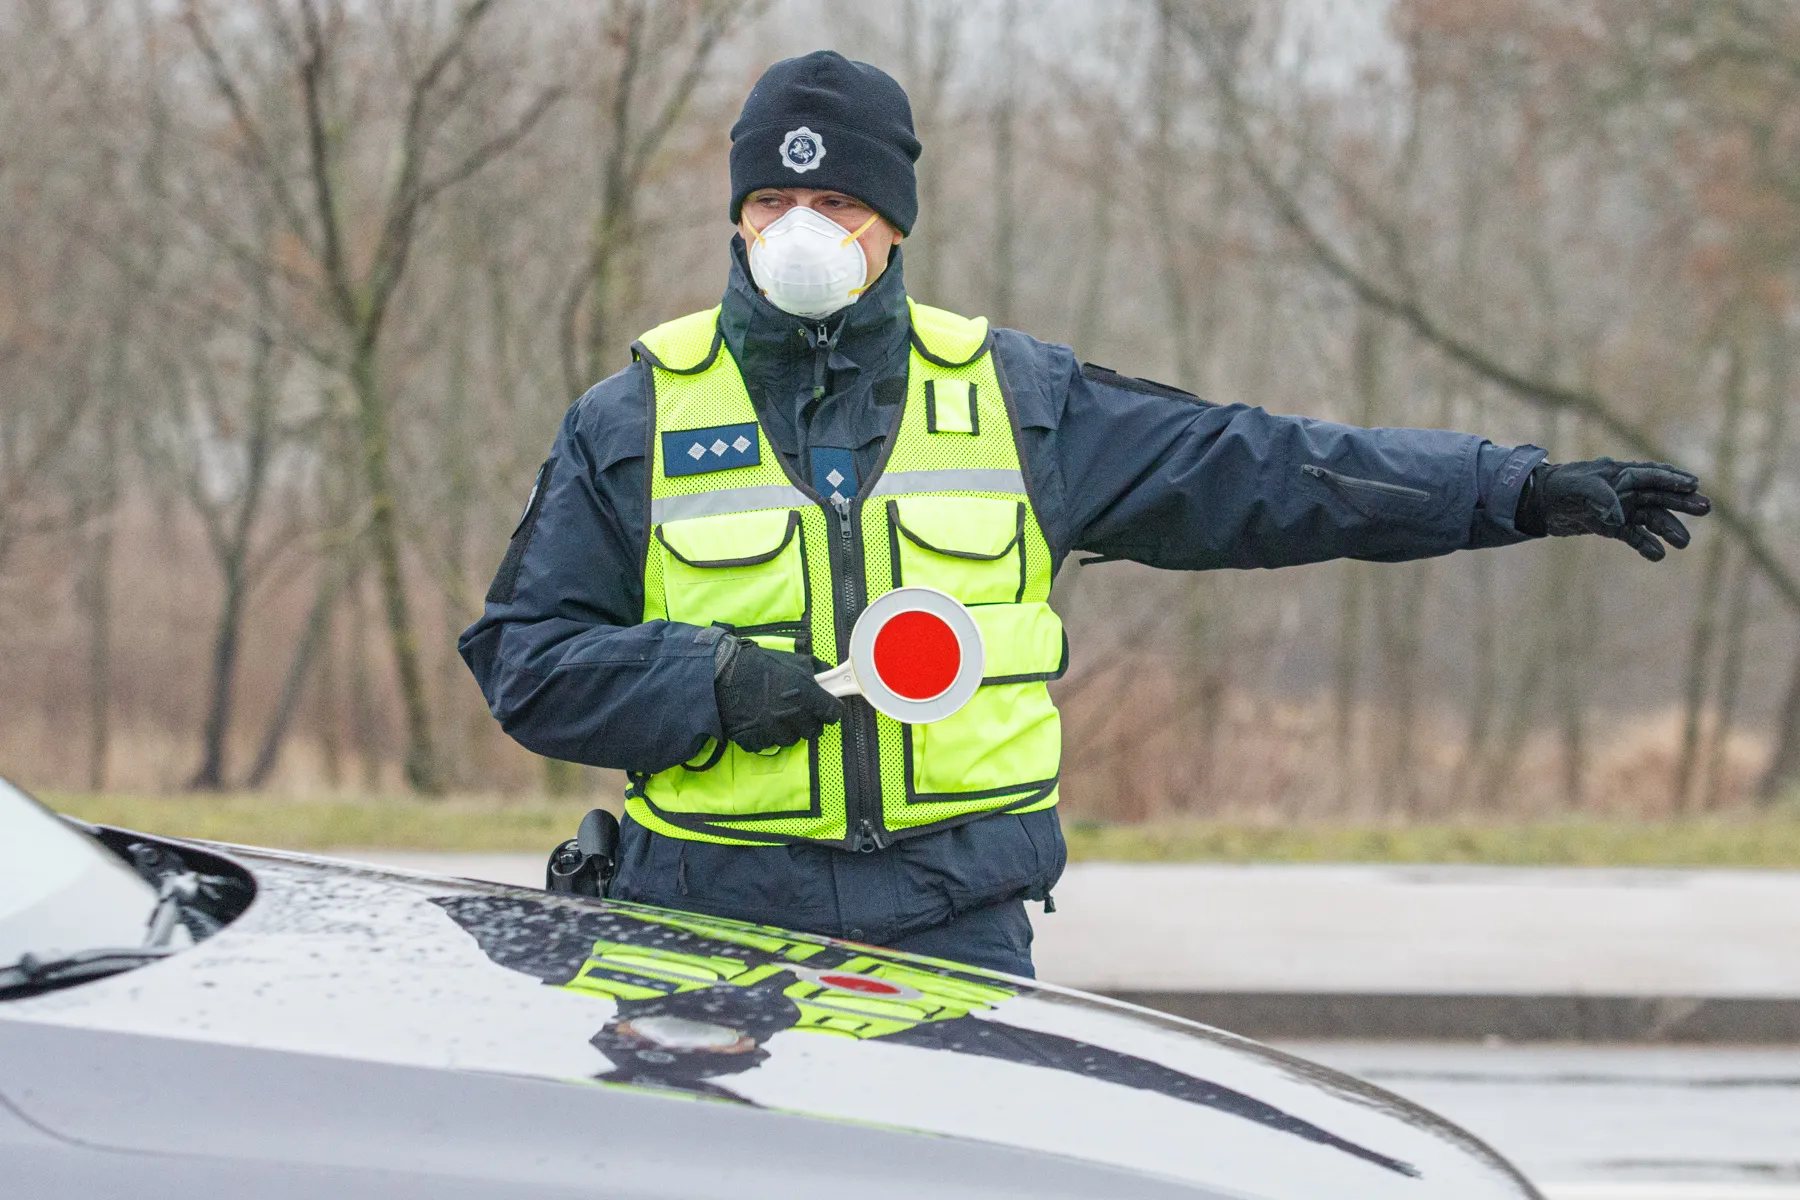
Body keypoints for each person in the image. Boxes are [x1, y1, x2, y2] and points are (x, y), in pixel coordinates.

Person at [459, 51, 1710, 979]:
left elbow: (1268, 471)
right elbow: (527, 662)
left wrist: (1517, 489)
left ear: (892, 222)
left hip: (951, 940)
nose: (800, 232)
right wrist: (713, 681)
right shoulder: (634, 417)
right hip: (702, 939)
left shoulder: (1018, 398)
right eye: (772, 204)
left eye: (836, 206)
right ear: (736, 214)